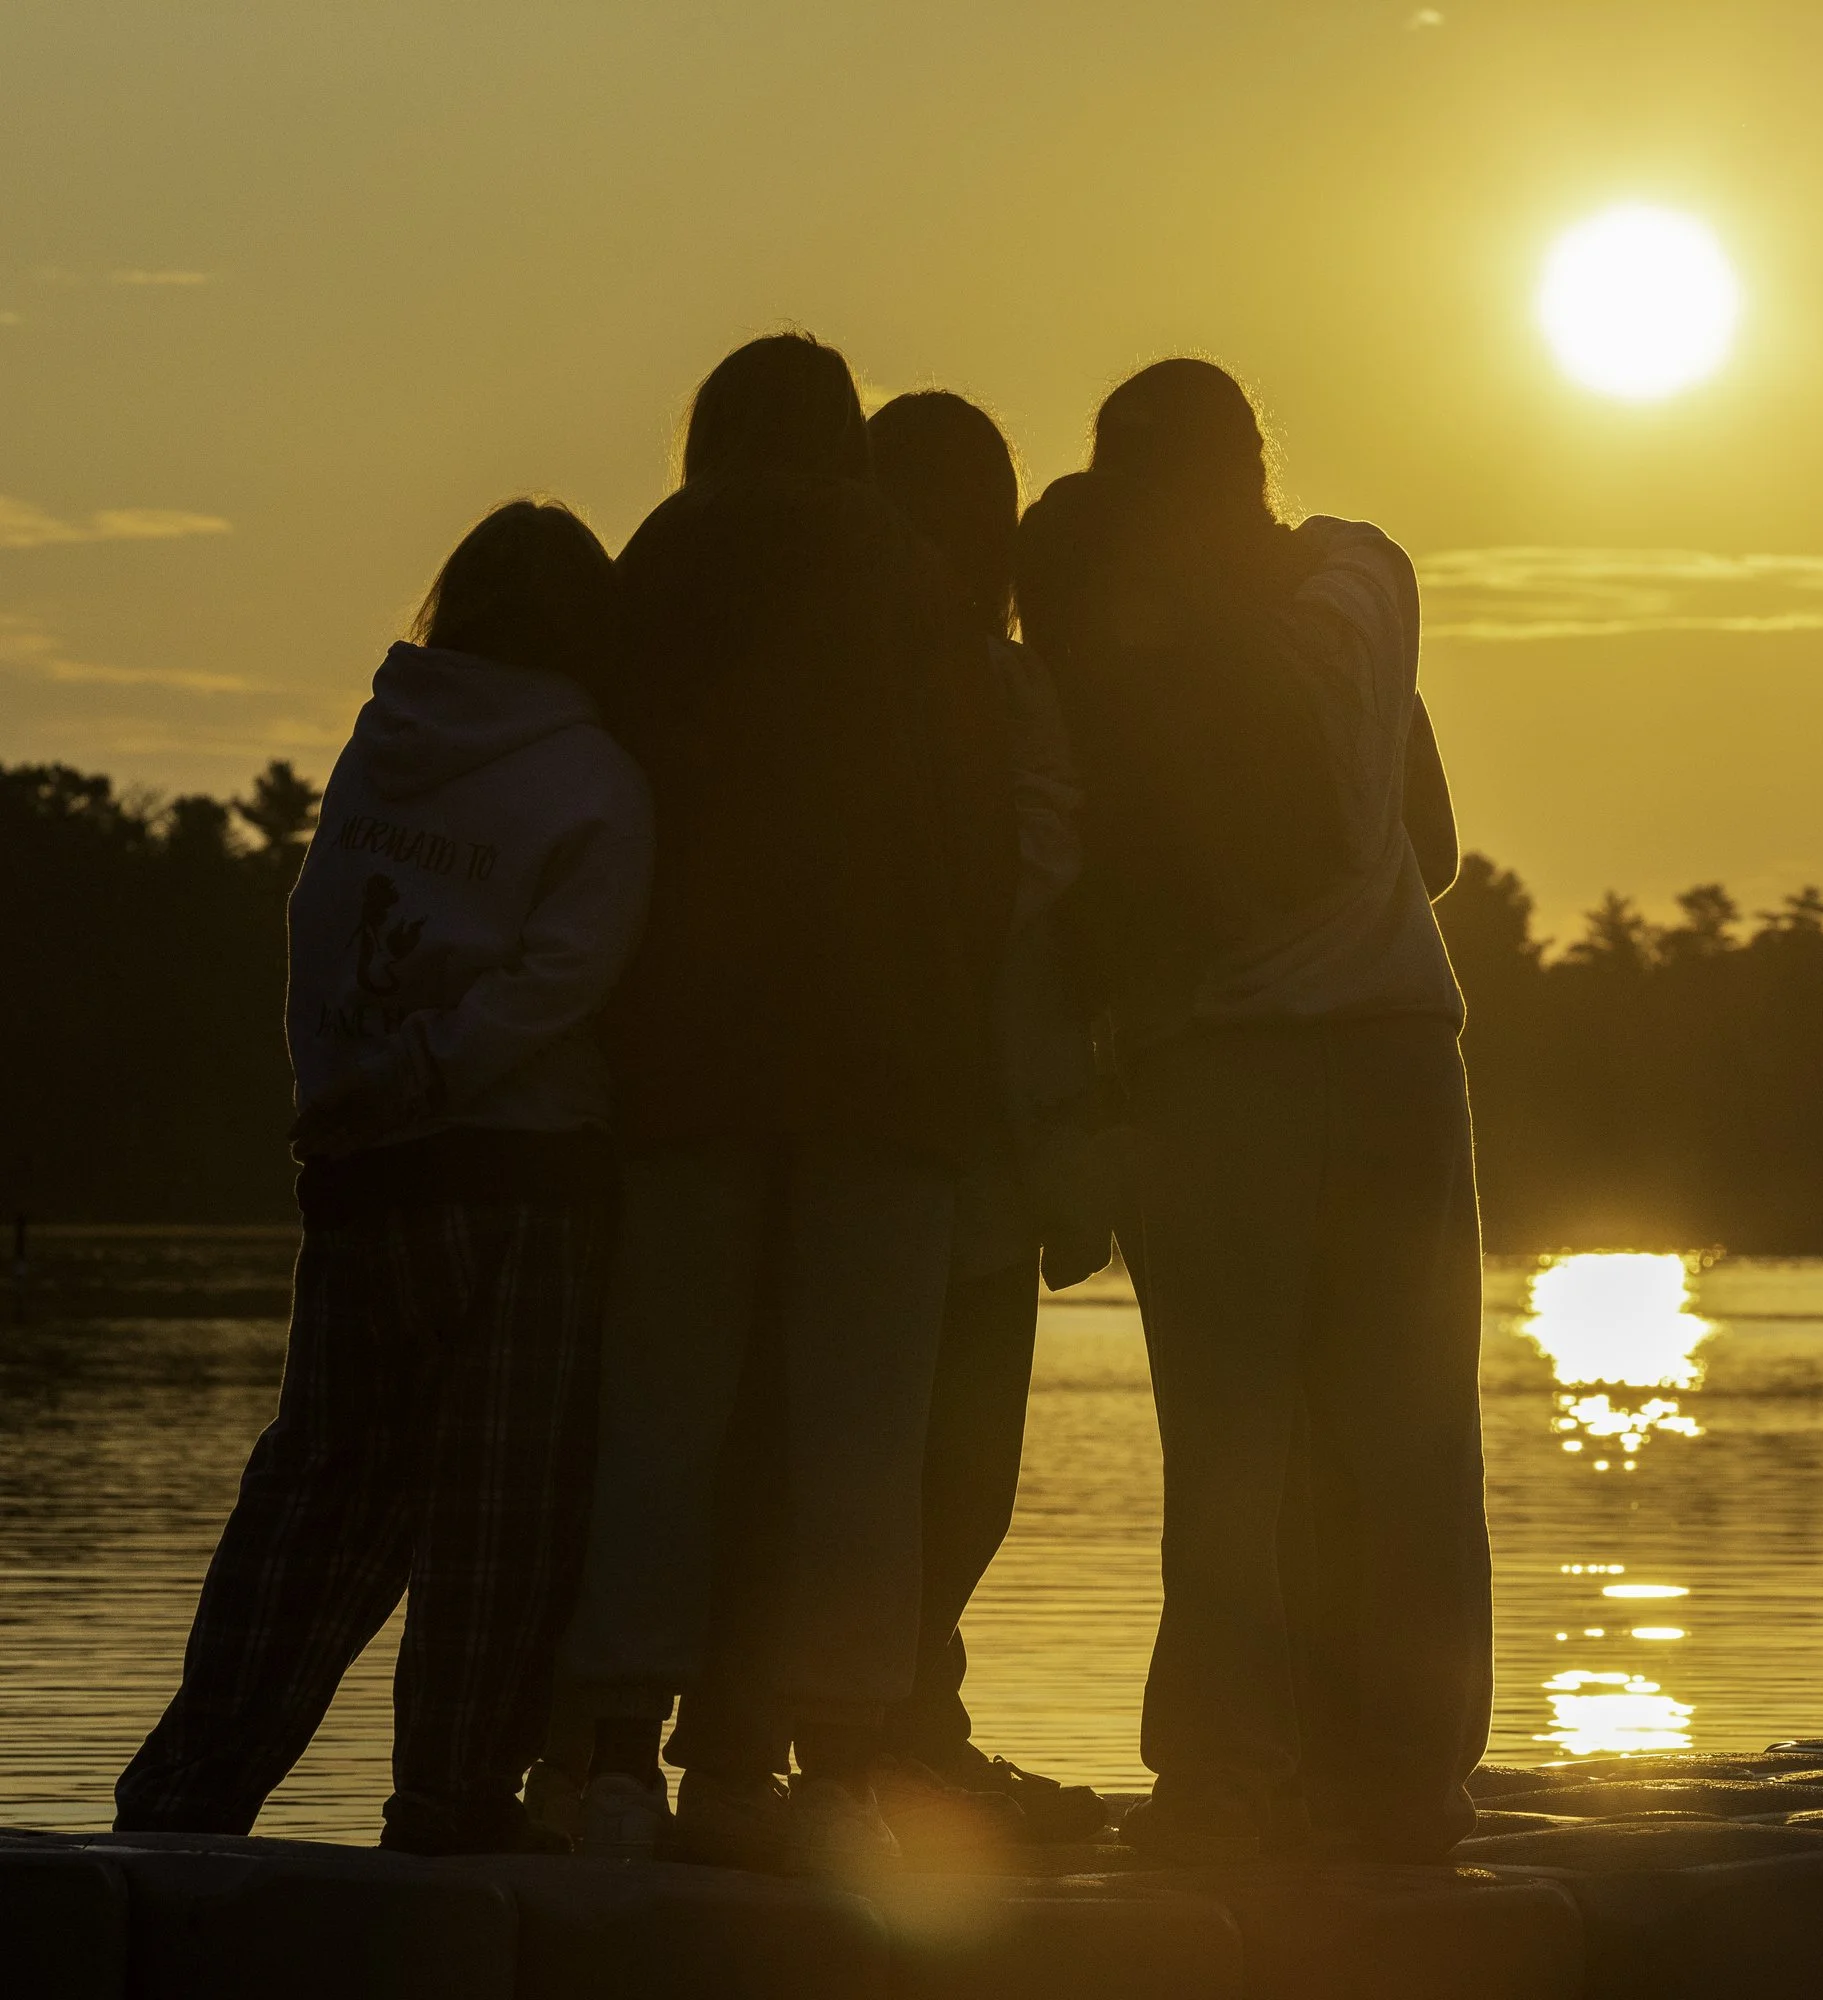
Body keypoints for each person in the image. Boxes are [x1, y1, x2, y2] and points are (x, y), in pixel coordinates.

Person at [536, 334, 1020, 1872]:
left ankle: (619, 1752)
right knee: (861, 1439)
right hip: (892, 1079)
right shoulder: (929, 599)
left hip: (691, 1068)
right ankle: (846, 1761)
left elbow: (601, 792)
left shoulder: (657, 574)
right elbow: (986, 850)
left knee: (663, 1420)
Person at [114, 499, 653, 1856]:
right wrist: (430, 1071)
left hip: (362, 1178)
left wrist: (340, 1083)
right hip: (520, 1179)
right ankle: (453, 1796)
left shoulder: (386, 739)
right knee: (499, 1500)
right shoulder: (596, 773)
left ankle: (189, 1792)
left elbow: (317, 918)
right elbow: (564, 977)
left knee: (315, 1492)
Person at [1015, 359, 1489, 1867]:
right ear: (1256, 467)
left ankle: (1228, 1773)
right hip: (1407, 1058)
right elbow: (1444, 846)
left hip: (1225, 1076)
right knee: (1412, 1434)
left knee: (1229, 1439)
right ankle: (1408, 1774)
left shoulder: (1126, 649)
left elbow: (1103, 897)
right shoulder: (1365, 577)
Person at [861, 389, 1114, 1841]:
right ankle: (896, 1745)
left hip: (890, 1132)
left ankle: (891, 1739)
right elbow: (1043, 889)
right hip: (953, 1141)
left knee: (892, 1470)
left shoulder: (833, 687)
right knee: (950, 1472)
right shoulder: (999, 691)